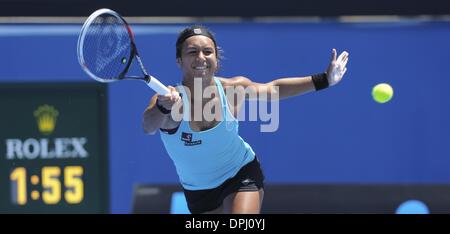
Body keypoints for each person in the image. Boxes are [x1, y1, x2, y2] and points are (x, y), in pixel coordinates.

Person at [142, 25, 349, 214]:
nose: (201, 58)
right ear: (179, 60)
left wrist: (324, 80)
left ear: (216, 58)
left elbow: (273, 89)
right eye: (192, 52)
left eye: (207, 51)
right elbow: (148, 127)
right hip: (199, 190)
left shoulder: (233, 89)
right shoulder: (168, 99)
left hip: (240, 172)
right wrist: (162, 107)